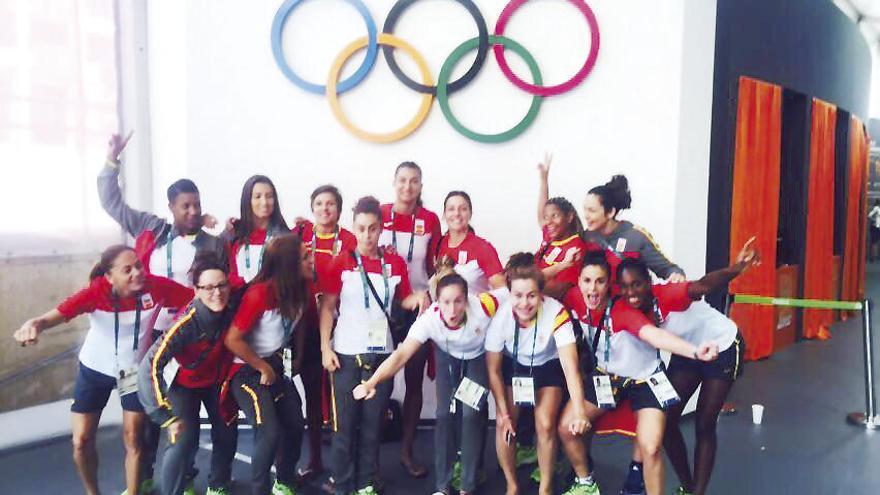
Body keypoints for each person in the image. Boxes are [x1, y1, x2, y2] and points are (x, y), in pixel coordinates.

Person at [99, 132, 227, 490]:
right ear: (171, 207)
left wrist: (233, 228)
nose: (192, 211)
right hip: (154, 337)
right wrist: (112, 160)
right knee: (151, 410)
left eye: (196, 204)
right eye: (185, 205)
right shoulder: (153, 230)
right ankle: (148, 478)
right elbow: (112, 203)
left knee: (184, 415)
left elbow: (226, 282)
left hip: (194, 337)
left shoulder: (214, 243)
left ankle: (184, 477)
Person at [13, 245, 193, 495]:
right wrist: (33, 326)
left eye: (138, 266)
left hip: (131, 372)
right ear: (109, 277)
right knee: (80, 442)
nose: (137, 273)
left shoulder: (157, 287)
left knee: (134, 440)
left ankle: (132, 492)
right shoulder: (96, 293)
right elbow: (49, 318)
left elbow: (195, 299)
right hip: (95, 369)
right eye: (127, 270)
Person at [556, 253, 720, 495]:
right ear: (578, 282)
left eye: (600, 281)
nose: (593, 289)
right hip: (609, 379)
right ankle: (585, 481)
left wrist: (695, 351)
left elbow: (654, 335)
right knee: (565, 428)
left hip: (646, 380)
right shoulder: (573, 299)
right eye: (587, 281)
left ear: (608, 283)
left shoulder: (621, 310)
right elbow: (539, 287)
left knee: (651, 446)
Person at [352, 266, 508, 495]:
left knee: (471, 414)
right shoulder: (429, 320)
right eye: (445, 302)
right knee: (444, 415)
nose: (452, 309)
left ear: (468, 300)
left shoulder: (484, 305)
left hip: (477, 357)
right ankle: (443, 486)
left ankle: (467, 484)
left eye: (458, 301)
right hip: (447, 357)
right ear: (437, 301)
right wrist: (371, 382)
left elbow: (512, 291)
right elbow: (401, 355)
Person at [320, 196, 431, 495]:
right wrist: (325, 348)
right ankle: (342, 484)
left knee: (372, 427)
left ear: (381, 229)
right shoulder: (341, 261)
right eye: (361, 229)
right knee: (344, 427)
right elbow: (328, 307)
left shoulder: (393, 262)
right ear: (353, 228)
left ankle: (366, 483)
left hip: (382, 353)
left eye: (372, 228)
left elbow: (403, 299)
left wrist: (419, 298)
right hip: (344, 352)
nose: (367, 235)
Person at [641, 239, 758, 495]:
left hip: (724, 347)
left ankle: (698, 492)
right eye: (626, 287)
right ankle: (688, 485)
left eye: (637, 285)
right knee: (667, 420)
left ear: (647, 283)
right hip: (688, 353)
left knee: (704, 423)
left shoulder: (668, 293)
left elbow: (704, 284)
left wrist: (738, 267)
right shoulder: (632, 309)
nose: (632, 292)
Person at [485, 254, 589, 495]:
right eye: (518, 296)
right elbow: (493, 370)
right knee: (504, 423)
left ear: (541, 294)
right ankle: (512, 484)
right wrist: (503, 412)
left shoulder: (557, 313)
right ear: (509, 294)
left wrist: (580, 411)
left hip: (547, 367)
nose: (524, 303)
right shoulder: (500, 317)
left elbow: (570, 368)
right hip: (516, 368)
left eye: (531, 295)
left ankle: (545, 486)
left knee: (545, 424)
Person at [138, 253, 238, 495]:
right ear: (196, 290)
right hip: (183, 385)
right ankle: (176, 487)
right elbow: (149, 366)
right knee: (183, 441)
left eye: (222, 285)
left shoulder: (233, 306)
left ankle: (219, 485)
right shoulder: (185, 324)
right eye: (209, 287)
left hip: (215, 381)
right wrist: (164, 416)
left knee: (226, 432)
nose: (217, 293)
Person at [224, 234, 310, 495]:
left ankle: (284, 482)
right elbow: (232, 340)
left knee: (295, 424)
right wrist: (262, 367)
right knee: (269, 431)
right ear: (289, 264)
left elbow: (300, 323)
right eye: (305, 256)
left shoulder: (301, 287)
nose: (311, 259)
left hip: (276, 365)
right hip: (246, 372)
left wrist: (298, 357)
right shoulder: (259, 294)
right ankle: (259, 489)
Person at [378, 162, 442, 478]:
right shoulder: (379, 212)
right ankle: (369, 459)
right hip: (381, 308)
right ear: (394, 182)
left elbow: (436, 266)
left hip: (417, 307)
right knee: (381, 380)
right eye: (402, 180)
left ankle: (407, 451)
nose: (408, 186)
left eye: (414, 181)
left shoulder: (429, 219)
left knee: (414, 381)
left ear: (420, 185)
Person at [293, 184, 357, 482]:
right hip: (306, 325)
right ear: (312, 207)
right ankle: (315, 458)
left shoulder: (350, 239)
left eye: (330, 204)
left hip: (342, 323)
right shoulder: (300, 235)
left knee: (341, 398)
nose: (324, 209)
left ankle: (342, 466)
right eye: (319, 203)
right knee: (313, 394)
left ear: (339, 210)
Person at [535, 153, 586, 299]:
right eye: (547, 217)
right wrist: (544, 180)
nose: (548, 222)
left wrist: (527, 285)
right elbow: (541, 213)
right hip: (534, 298)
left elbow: (560, 288)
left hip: (553, 307)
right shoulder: (552, 236)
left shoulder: (576, 247)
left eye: (555, 216)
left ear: (569, 217)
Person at [436, 191, 507, 294]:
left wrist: (479, 306)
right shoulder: (439, 245)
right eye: (451, 209)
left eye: (463, 209)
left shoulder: (483, 248)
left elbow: (502, 290)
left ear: (470, 214)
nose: (456, 213)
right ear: (444, 215)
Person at [226, 175, 290, 288]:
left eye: (269, 196)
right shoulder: (234, 234)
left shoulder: (285, 237)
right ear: (247, 200)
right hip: (240, 301)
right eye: (257, 196)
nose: (264, 202)